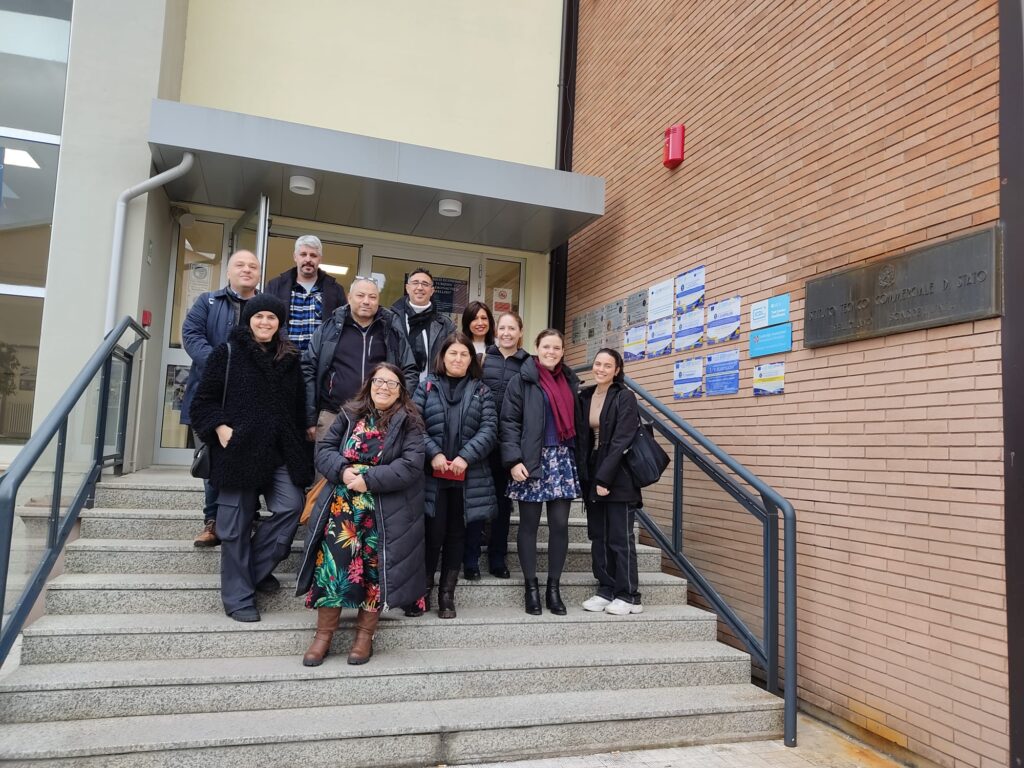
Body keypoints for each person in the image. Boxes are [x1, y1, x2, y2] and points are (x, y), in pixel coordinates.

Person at [188, 294, 311, 623]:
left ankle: (251, 573)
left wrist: (300, 451)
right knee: (236, 527)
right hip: (238, 451)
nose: (265, 322)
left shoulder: (289, 359)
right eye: (260, 317)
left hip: (279, 452)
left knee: (291, 508)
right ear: (249, 320)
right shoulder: (226, 353)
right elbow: (202, 403)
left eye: (272, 318)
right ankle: (238, 597)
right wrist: (221, 428)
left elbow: (297, 411)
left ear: (280, 323)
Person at [295, 363, 426, 666]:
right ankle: (323, 637)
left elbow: (410, 465)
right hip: (342, 507)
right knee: (333, 568)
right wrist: (343, 470)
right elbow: (325, 449)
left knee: (372, 572)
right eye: (379, 381)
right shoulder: (348, 414)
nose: (384, 387)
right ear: (369, 384)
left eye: (392, 384)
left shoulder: (410, 423)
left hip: (383, 511)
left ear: (400, 392)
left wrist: (369, 479)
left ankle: (364, 637)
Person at [410, 332, 497, 619]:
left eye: (464, 354)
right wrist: (433, 454)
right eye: (453, 353)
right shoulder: (426, 387)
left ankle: (447, 594)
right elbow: (414, 426)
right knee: (432, 534)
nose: (458, 359)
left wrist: (465, 457)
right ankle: (422, 591)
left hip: (467, 477)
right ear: (442, 357)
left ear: (471, 359)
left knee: (456, 535)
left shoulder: (482, 391)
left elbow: (489, 430)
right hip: (432, 476)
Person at [501, 328, 586, 616]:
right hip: (531, 460)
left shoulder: (570, 381)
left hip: (561, 459)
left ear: (563, 351)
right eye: (546, 346)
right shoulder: (522, 380)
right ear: (537, 348)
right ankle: (531, 588)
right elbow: (509, 423)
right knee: (529, 525)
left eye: (557, 347)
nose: (551, 352)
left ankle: (554, 588)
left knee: (560, 525)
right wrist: (513, 460)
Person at [181, 249, 261, 547]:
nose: (246, 269)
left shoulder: (265, 307)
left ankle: (248, 519)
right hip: (208, 396)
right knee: (211, 462)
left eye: (252, 266)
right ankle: (212, 522)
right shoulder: (207, 302)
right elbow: (191, 336)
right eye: (240, 265)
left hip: (250, 399)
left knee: (248, 458)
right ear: (228, 272)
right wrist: (222, 365)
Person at [303, 277, 418, 443]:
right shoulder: (328, 330)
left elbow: (409, 370)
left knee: (371, 470)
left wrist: (399, 409)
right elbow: (308, 370)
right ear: (349, 297)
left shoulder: (391, 331)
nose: (366, 301)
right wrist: (310, 418)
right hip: (333, 416)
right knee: (328, 468)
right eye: (360, 295)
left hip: (379, 420)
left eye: (372, 297)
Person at [579, 348, 643, 615]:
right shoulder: (585, 395)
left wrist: (604, 478)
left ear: (617, 370)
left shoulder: (625, 397)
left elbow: (621, 441)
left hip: (618, 475)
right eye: (598, 364)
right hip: (592, 469)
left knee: (619, 537)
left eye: (608, 365)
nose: (601, 369)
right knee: (598, 535)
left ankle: (629, 595)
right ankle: (605, 589)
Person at [470, 311, 529, 580]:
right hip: (481, 441)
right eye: (502, 328)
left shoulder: (528, 364)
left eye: (511, 329)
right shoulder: (481, 360)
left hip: (509, 444)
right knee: (476, 500)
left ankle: (497, 558)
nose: (506, 333)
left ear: (520, 332)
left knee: (503, 506)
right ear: (496, 332)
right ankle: (470, 559)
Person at [263, 234, 347, 352]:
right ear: (295, 256)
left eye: (313, 255)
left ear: (320, 259)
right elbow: (265, 324)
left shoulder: (336, 290)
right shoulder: (275, 286)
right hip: (283, 360)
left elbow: (342, 328)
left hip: (320, 363)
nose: (308, 259)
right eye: (303, 254)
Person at [390, 268, 455, 382]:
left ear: (432, 291)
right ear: (407, 288)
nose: (420, 288)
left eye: (425, 284)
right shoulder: (392, 320)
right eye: (415, 283)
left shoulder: (446, 325)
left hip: (432, 392)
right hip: (396, 390)